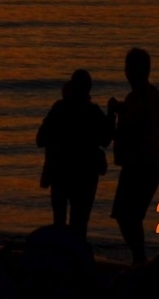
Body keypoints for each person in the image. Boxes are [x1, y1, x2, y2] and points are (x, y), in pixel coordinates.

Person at [37, 69, 112, 238]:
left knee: (59, 222)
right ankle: (75, 258)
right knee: (80, 224)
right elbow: (106, 139)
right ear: (89, 89)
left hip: (60, 172)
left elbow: (40, 139)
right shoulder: (92, 112)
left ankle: (61, 257)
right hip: (85, 175)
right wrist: (111, 115)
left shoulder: (59, 109)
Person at [108, 47, 159, 264]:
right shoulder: (146, 97)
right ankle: (138, 258)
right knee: (129, 216)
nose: (126, 72)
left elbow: (138, 126)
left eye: (128, 68)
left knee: (128, 216)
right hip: (145, 164)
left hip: (141, 166)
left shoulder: (143, 97)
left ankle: (139, 259)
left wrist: (119, 112)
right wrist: (122, 110)